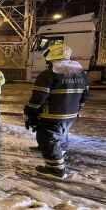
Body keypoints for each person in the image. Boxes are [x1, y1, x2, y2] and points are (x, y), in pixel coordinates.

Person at [24, 44, 89, 180]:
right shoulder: (81, 74)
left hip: (51, 115)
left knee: (47, 140)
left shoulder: (48, 75)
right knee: (62, 136)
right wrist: (77, 110)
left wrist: (30, 112)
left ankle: (56, 169)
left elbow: (38, 98)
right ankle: (60, 154)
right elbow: (85, 95)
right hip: (70, 116)